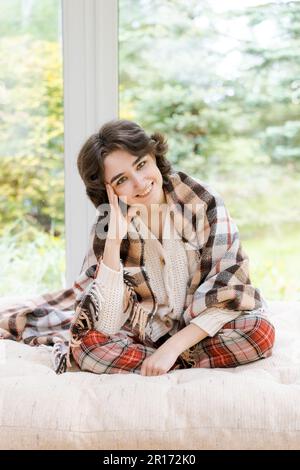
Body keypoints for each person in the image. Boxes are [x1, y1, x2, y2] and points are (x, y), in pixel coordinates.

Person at [0, 119, 275, 376]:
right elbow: (105, 325)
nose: (140, 183)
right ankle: (170, 362)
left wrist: (172, 348)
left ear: (154, 156)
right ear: (106, 191)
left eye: (141, 164)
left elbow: (229, 290)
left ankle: (166, 361)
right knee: (86, 347)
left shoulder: (201, 201)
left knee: (259, 332)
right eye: (121, 180)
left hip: (197, 331)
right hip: (144, 334)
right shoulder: (108, 224)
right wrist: (113, 243)